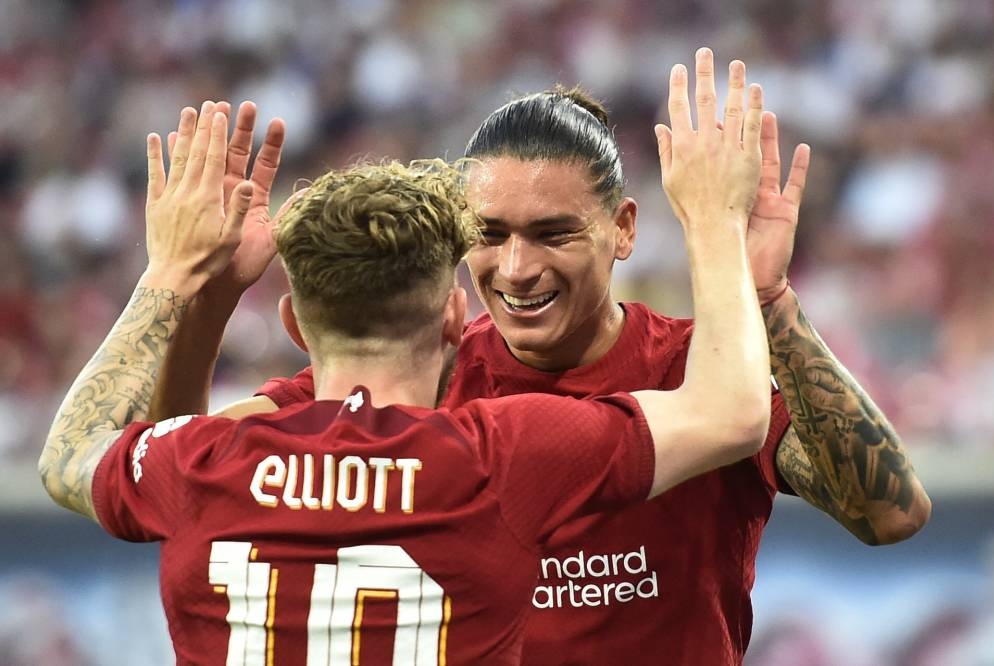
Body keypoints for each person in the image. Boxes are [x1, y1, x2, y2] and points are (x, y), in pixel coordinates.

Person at [150, 49, 932, 664]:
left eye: (553, 233)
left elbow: (890, 512)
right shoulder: (417, 370)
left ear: (623, 229)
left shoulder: (703, 371)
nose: (517, 269)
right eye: (490, 236)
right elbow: (181, 468)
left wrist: (769, 303)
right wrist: (196, 291)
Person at [39, 61, 774, 663]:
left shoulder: (211, 462)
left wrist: (176, 276)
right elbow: (736, 412)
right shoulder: (500, 457)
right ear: (457, 318)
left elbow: (79, 454)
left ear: (293, 323)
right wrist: (715, 217)